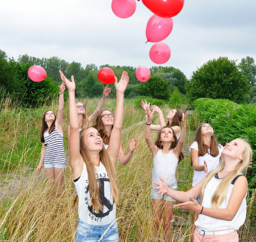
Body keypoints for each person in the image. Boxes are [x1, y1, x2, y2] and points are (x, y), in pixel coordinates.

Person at [61, 70, 129, 242]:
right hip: (87, 231)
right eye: (91, 135)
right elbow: (74, 128)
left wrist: (120, 94)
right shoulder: (79, 165)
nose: (97, 136)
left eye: (97, 135)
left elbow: (118, 128)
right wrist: (71, 92)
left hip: (111, 229)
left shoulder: (109, 162)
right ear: (82, 144)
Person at [154, 138, 253, 242]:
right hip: (199, 235)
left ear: (242, 157)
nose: (228, 144)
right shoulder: (211, 175)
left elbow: (229, 214)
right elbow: (189, 195)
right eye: (229, 142)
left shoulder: (239, 180)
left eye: (235, 144)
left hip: (222, 237)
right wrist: (168, 190)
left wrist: (200, 209)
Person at [143, 104, 187, 241]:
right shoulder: (156, 151)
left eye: (169, 132)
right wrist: (148, 122)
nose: (166, 133)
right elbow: (147, 138)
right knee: (156, 221)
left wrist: (184, 126)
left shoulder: (175, 152)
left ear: (173, 139)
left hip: (170, 189)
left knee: (167, 223)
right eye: (163, 132)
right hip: (156, 188)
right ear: (160, 139)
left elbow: (182, 141)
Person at [36, 82, 67, 191]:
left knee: (59, 185)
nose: (50, 114)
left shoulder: (58, 126)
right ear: (44, 119)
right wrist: (40, 164)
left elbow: (60, 109)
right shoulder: (44, 132)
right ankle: (51, 203)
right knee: (50, 184)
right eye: (47, 114)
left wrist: (61, 93)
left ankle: (60, 206)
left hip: (59, 159)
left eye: (52, 114)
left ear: (54, 118)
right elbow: (43, 149)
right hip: (48, 160)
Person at [191, 123, 222, 192]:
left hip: (214, 186)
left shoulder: (219, 147)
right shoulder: (196, 145)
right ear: (200, 133)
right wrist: (202, 167)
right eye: (204, 126)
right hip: (199, 186)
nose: (208, 126)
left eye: (209, 126)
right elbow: (195, 165)